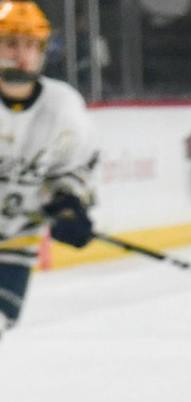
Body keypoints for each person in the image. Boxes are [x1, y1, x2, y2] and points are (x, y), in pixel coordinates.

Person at [0, 0, 95, 344]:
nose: (21, 54)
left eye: (30, 44)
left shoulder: (63, 106)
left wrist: (69, 203)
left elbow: (74, 167)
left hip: (14, 246)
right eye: (10, 43)